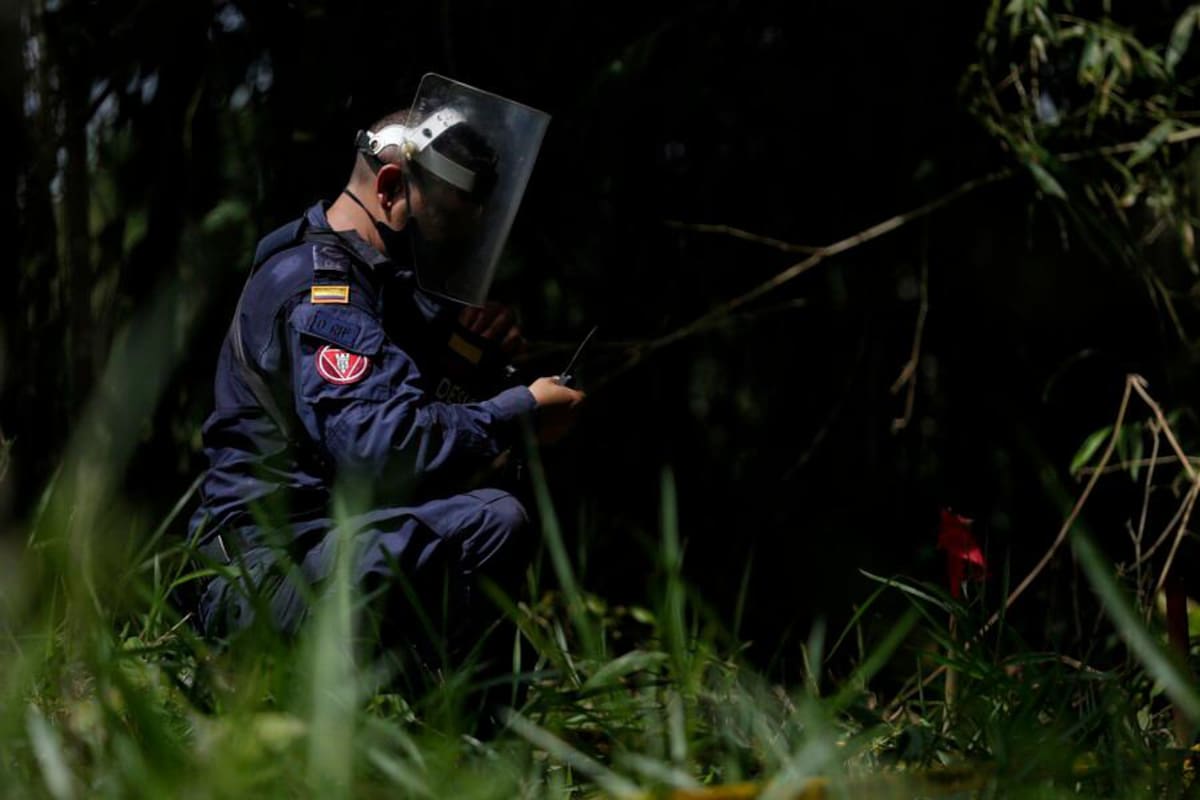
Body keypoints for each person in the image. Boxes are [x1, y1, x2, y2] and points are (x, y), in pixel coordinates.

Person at [187, 77, 582, 668]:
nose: (449, 253)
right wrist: (518, 410)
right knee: (490, 524)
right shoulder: (322, 289)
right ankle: (462, 741)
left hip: (316, 558)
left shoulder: (376, 290)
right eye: (445, 227)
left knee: (480, 514)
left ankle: (438, 731)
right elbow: (382, 447)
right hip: (261, 582)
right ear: (392, 190)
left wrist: (473, 363)